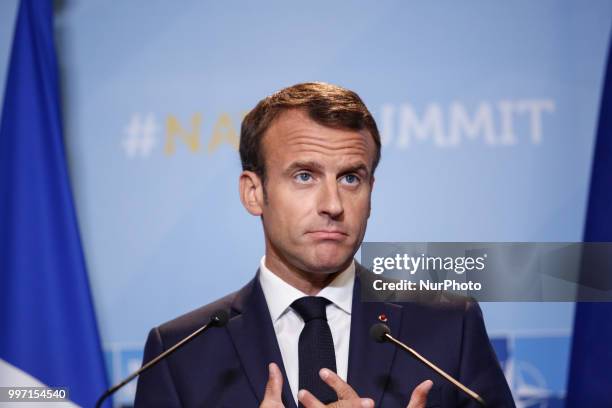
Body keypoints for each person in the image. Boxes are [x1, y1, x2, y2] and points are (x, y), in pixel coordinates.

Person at [134, 82, 515, 407]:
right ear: (254, 193)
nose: (333, 205)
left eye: (351, 179)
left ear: (371, 192)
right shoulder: (179, 353)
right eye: (304, 176)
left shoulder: (448, 327)